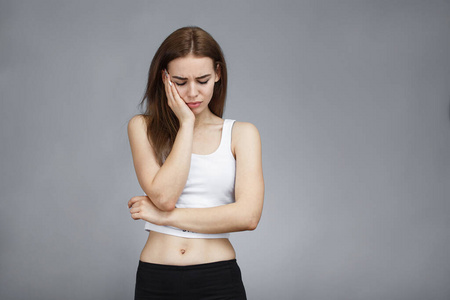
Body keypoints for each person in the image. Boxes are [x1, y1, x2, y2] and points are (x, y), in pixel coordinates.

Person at [127, 26, 264, 300]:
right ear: (164, 78)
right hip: (156, 278)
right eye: (180, 81)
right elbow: (165, 196)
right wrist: (187, 124)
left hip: (217, 278)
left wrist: (165, 218)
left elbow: (248, 217)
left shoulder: (242, 134)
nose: (192, 93)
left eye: (202, 80)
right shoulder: (142, 127)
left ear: (217, 74)